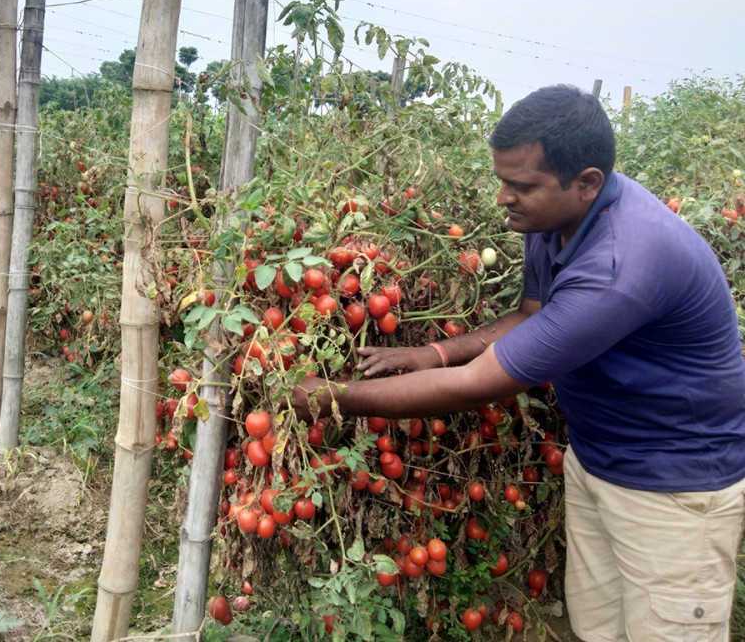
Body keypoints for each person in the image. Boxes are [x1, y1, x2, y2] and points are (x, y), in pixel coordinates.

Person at [291, 84, 745, 642]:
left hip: (675, 489)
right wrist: (427, 353)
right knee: (601, 627)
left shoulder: (620, 262)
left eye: (521, 185)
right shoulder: (553, 220)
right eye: (502, 179)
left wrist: (331, 397)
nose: (503, 197)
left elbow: (474, 387)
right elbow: (532, 315)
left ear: (586, 183)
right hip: (600, 459)